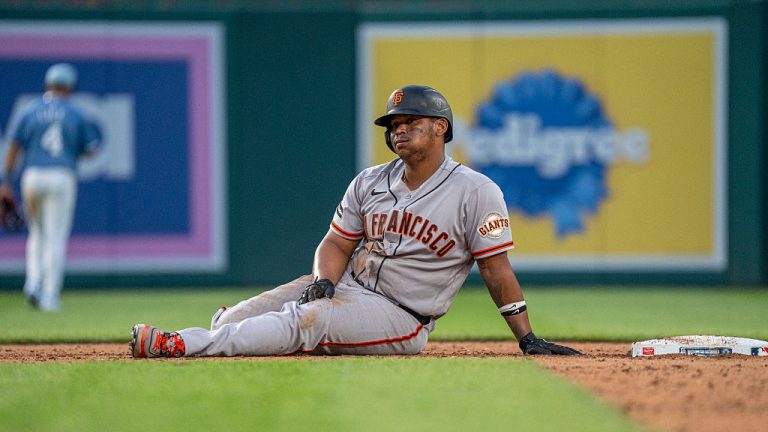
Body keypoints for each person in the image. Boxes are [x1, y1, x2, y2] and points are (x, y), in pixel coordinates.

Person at [129, 85, 581, 358]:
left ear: (441, 127)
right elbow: (336, 244)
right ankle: (230, 333)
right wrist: (325, 279)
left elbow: (495, 270)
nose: (398, 129)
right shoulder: (370, 180)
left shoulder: (476, 191)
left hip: (402, 316)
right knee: (235, 318)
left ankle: (182, 345)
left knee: (308, 320)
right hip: (347, 288)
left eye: (411, 121)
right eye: (393, 123)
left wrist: (527, 338)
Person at [0, 63, 101, 311]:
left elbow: (13, 147)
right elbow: (91, 148)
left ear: (47, 84)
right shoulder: (75, 113)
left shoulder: (30, 110)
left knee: (37, 232)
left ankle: (33, 282)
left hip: (32, 175)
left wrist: (5, 181)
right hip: (61, 175)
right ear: (69, 87)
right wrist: (74, 149)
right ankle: (49, 295)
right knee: (56, 236)